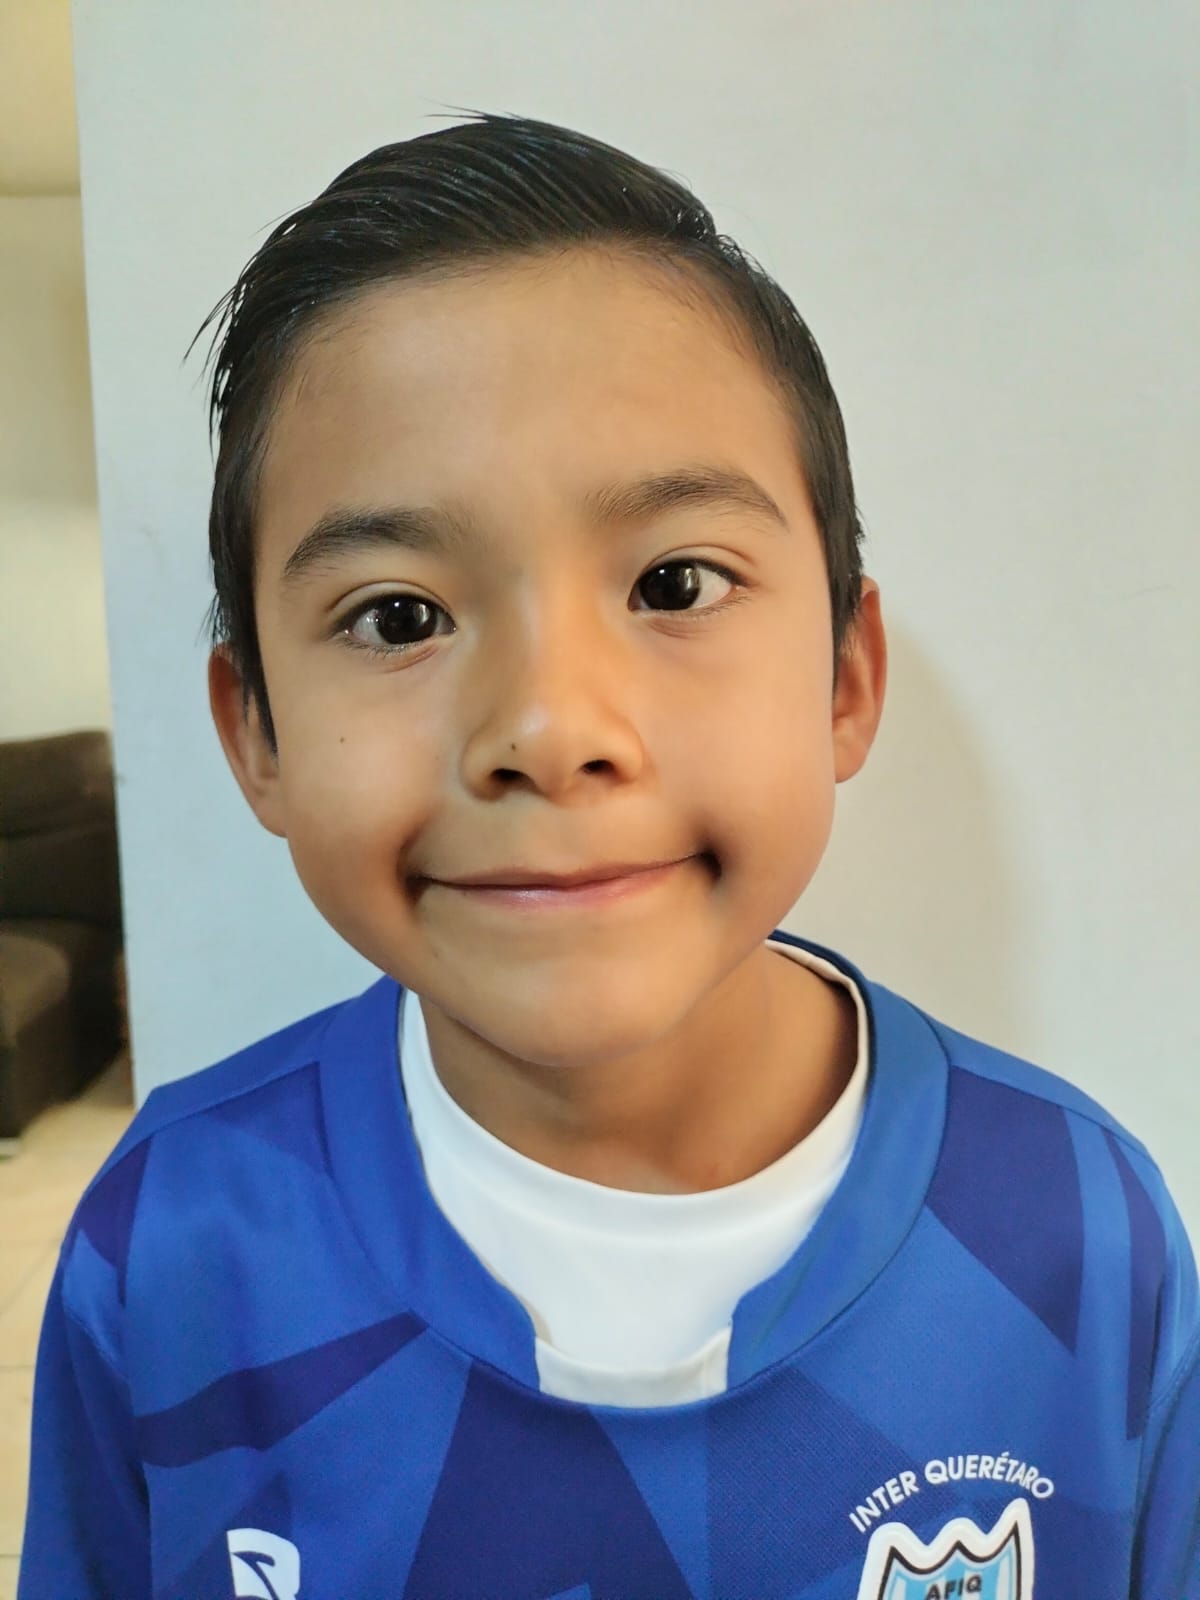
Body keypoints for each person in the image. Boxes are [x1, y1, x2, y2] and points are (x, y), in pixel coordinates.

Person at [19, 111, 1198, 1600]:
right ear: (254, 731)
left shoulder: (1079, 1232)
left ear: (844, 677)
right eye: (399, 616)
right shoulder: (172, 1240)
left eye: (674, 582)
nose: (549, 728)